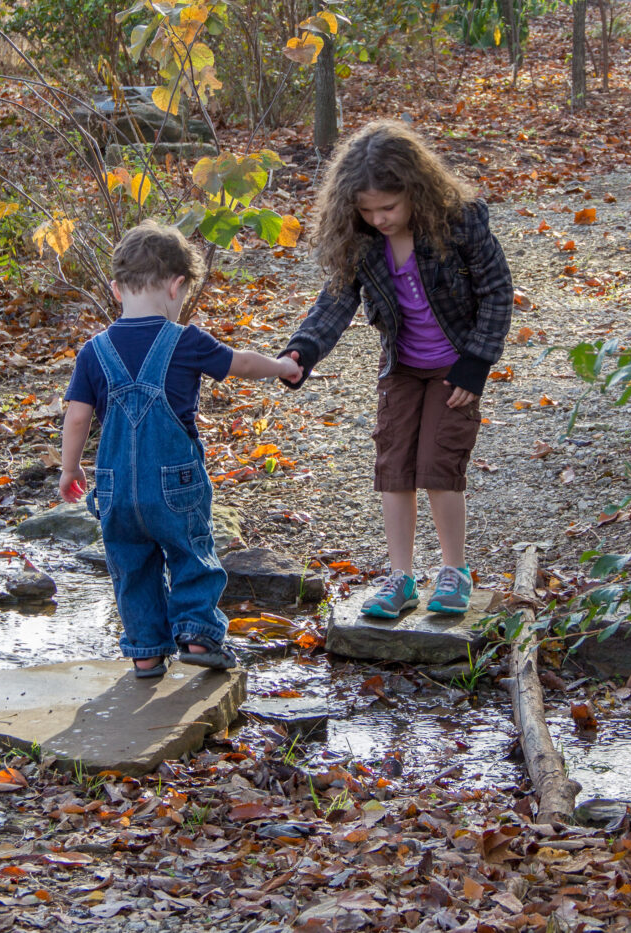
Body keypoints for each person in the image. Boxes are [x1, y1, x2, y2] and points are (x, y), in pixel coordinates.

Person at [278, 120, 513, 618]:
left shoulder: (460, 222)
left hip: (456, 367)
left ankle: (454, 571)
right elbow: (335, 301)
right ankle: (400, 577)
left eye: (388, 207)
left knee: (439, 467)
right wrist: (302, 352)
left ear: (415, 190)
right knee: (394, 470)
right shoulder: (362, 241)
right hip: (402, 368)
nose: (379, 218)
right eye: (366, 210)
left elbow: (496, 293)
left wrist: (476, 364)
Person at [59, 221, 302, 678]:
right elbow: (241, 364)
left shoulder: (94, 351)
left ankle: (147, 652)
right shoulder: (185, 340)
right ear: (177, 286)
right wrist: (282, 366)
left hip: (115, 490)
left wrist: (69, 469)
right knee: (191, 554)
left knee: (131, 566)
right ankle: (196, 635)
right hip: (175, 484)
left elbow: (77, 416)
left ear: (115, 289)